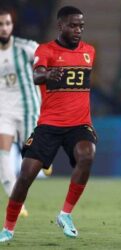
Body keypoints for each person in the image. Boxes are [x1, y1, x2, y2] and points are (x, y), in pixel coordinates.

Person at [0, 6, 97, 242]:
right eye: (73, 25)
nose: (78, 30)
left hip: (79, 124)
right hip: (49, 126)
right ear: (60, 26)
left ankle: (65, 214)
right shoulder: (46, 50)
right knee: (26, 176)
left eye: (81, 26)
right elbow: (36, 75)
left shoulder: (89, 52)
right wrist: (46, 75)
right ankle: (8, 228)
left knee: (87, 154)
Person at [0, 7, 53, 218]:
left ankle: (45, 161)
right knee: (2, 150)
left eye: (7, 24)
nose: (4, 28)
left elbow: (46, 56)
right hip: (4, 110)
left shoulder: (26, 47)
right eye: (0, 24)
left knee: (33, 154)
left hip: (29, 107)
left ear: (12, 25)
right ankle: (15, 200)